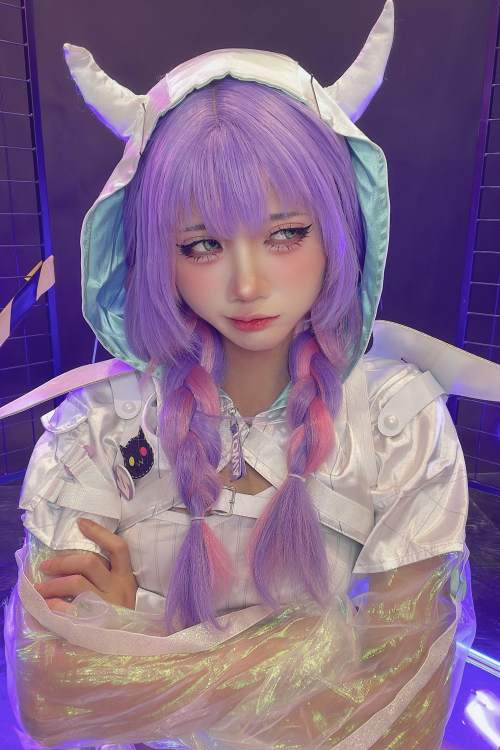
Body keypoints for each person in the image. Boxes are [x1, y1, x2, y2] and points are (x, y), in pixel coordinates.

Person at [3, 2, 486, 747]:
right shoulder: (97, 429)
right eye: (202, 245)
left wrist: (135, 636)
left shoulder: (398, 424)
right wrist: (325, 651)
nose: (249, 284)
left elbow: (408, 716)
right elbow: (50, 698)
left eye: (285, 233)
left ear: (338, 230)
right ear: (160, 253)